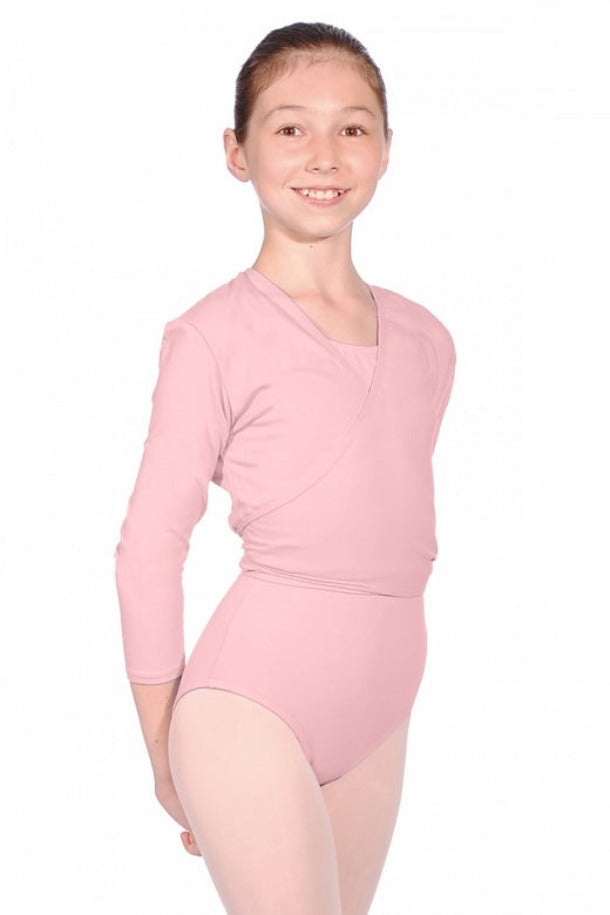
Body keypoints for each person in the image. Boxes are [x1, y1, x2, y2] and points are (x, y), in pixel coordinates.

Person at [114, 20, 456, 915]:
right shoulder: (212, 336)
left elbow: (385, 524)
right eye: (290, 126)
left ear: (386, 149)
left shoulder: (428, 340)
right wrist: (163, 747)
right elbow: (149, 546)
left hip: (381, 704)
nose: (324, 154)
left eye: (353, 127)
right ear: (238, 151)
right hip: (250, 700)